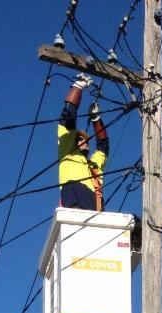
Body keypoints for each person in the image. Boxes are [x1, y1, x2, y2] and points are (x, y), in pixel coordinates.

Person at [58, 74, 108, 211]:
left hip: (94, 203)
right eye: (80, 139)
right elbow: (68, 118)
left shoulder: (94, 165)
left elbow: (103, 145)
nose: (84, 141)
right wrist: (78, 87)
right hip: (74, 194)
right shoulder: (67, 152)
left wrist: (96, 119)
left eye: (86, 140)